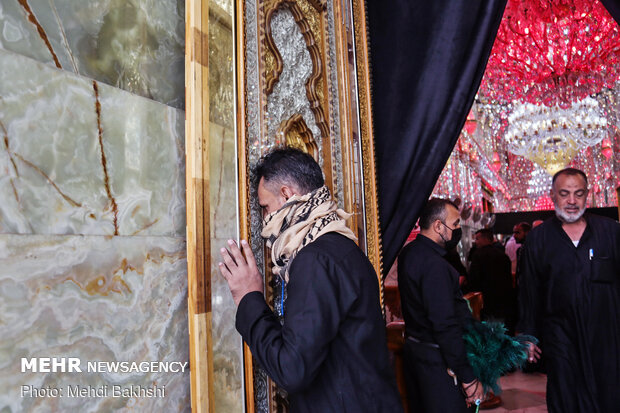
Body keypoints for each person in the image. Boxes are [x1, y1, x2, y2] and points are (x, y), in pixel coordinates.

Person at [218, 148, 403, 413]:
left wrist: (249, 297)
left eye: (266, 208)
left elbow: (293, 370)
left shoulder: (314, 260)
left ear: (286, 194)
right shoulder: (341, 245)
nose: (264, 222)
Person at [518, 167, 620, 413]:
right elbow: (528, 292)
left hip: (606, 336)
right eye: (564, 194)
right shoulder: (538, 240)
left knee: (609, 393)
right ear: (553, 196)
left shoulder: (611, 232)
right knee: (566, 396)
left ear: (588, 195)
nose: (572, 201)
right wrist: (527, 336)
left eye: (579, 193)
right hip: (560, 337)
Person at [398, 198, 484, 413]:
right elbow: (445, 325)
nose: (457, 230)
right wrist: (467, 377)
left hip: (416, 352)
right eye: (455, 225)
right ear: (438, 226)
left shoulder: (410, 252)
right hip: (437, 361)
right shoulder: (434, 264)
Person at [468, 228, 516, 333]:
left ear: (485, 239)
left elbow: (474, 279)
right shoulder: (503, 255)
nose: (476, 242)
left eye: (477, 239)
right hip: (504, 299)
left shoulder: (478, 255)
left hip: (487, 300)